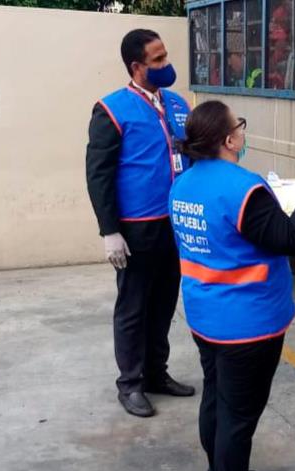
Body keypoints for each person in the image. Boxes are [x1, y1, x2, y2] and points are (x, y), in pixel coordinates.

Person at [169, 100, 295, 471]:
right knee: (237, 421)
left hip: (205, 317)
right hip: (247, 326)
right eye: (240, 126)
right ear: (229, 140)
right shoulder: (243, 188)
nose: (243, 132)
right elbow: (290, 239)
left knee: (216, 400)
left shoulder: (183, 184)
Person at [85, 29, 196, 418]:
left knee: (164, 303)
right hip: (136, 227)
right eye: (158, 59)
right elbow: (98, 174)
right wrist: (109, 230)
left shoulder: (178, 104)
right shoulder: (112, 109)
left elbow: (191, 152)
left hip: (174, 224)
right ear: (137, 66)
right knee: (133, 307)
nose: (167, 64)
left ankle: (155, 374)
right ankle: (130, 383)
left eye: (166, 56)